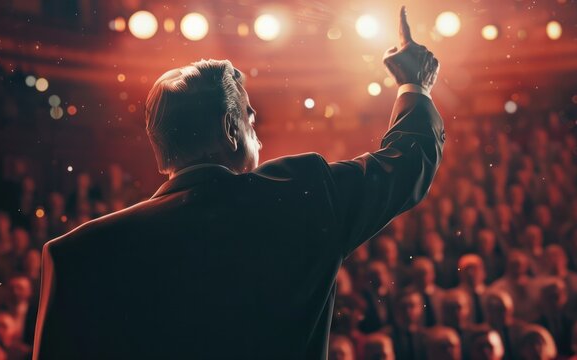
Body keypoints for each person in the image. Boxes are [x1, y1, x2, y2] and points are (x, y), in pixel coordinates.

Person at [32, 6, 444, 359]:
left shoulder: (79, 255)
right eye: (250, 118)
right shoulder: (302, 195)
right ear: (231, 130)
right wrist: (415, 85)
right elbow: (405, 164)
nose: (258, 134)